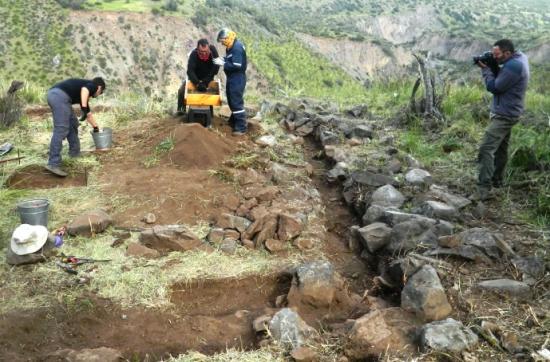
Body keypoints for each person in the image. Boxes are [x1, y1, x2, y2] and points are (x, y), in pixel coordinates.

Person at [474, 39, 529, 201]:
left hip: (504, 115)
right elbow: (504, 76)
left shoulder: (514, 66)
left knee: (486, 148)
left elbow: (495, 87)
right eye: (493, 54)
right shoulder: (518, 58)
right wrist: (494, 65)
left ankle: (483, 188)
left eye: (497, 55)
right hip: (511, 111)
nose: (495, 57)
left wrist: (486, 70)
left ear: (508, 53)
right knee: (500, 149)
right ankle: (497, 181)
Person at [46, 77, 105, 177]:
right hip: (58, 96)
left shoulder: (86, 91)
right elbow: (85, 90)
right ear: (99, 88)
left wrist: (96, 128)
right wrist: (84, 107)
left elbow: (88, 114)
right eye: (100, 92)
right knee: (61, 128)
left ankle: (75, 153)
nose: (98, 95)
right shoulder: (92, 85)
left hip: (61, 98)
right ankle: (53, 163)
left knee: (73, 124)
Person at [214, 29, 248, 136]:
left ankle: (241, 127)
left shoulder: (236, 47)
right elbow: (230, 59)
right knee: (231, 99)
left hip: (237, 78)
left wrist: (223, 64)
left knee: (236, 102)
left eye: (223, 40)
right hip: (232, 77)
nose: (222, 43)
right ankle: (234, 121)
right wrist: (223, 59)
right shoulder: (231, 47)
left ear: (228, 37)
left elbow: (236, 65)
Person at [177, 38, 220, 115]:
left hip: (208, 78)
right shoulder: (193, 54)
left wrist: (205, 82)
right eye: (201, 52)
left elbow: (215, 69)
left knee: (209, 95)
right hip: (195, 78)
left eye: (206, 52)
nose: (204, 54)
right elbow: (190, 71)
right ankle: (181, 111)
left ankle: (210, 115)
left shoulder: (213, 53)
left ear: (209, 49)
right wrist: (197, 83)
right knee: (181, 91)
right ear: (197, 49)